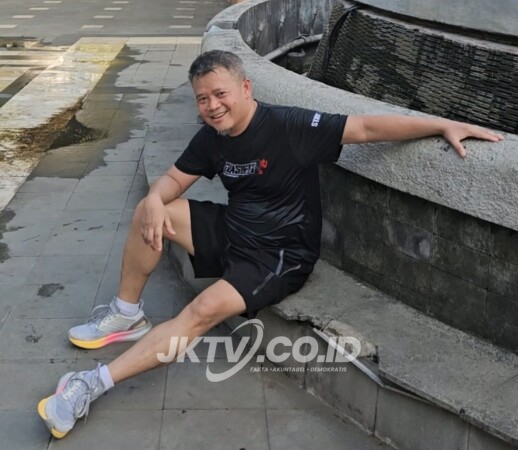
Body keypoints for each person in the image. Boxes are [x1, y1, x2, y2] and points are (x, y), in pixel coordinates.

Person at [37, 50, 503, 438]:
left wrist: (440, 123)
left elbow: (364, 129)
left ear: (245, 88)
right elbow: (174, 180)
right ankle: (126, 314)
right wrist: (157, 200)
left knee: (201, 311)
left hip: (279, 254)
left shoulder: (290, 126)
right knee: (148, 209)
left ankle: (90, 384)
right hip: (235, 228)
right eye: (203, 99)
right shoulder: (212, 137)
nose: (212, 106)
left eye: (220, 94)